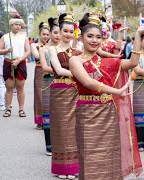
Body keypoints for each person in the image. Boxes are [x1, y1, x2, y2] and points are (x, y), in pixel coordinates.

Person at [69, 12, 144, 179]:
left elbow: (133, 63)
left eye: (98, 37)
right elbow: (88, 82)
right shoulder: (75, 60)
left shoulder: (108, 62)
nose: (94, 40)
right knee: (89, 155)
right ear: (81, 38)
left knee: (109, 154)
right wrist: (117, 91)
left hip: (108, 112)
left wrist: (137, 36)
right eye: (90, 36)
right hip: (86, 112)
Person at [48, 13, 81, 179]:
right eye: (65, 31)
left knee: (75, 128)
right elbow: (59, 70)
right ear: (59, 32)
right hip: (60, 91)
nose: (68, 34)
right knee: (61, 128)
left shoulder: (77, 51)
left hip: (76, 91)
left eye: (71, 31)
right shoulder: (52, 49)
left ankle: (73, 167)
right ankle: (62, 168)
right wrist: (79, 75)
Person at [0, 16, 30, 117]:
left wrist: (19, 60)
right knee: (9, 87)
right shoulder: (5, 37)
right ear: (11, 25)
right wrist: (7, 50)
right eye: (16, 24)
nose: (18, 26)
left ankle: (21, 109)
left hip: (20, 62)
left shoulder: (24, 37)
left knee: (20, 87)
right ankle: (8, 109)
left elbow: (28, 51)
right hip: (8, 62)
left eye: (20, 25)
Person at [39, 17, 60, 156]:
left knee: (62, 115)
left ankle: (62, 145)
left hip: (64, 83)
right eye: (56, 32)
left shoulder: (64, 49)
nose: (58, 35)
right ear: (51, 33)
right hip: (49, 83)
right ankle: (50, 146)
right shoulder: (43, 49)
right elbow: (45, 68)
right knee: (48, 114)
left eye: (60, 32)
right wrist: (59, 69)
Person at [31, 22, 50, 129]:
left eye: (48, 35)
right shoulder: (34, 45)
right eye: (44, 34)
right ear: (39, 34)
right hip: (39, 70)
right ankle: (40, 120)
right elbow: (37, 56)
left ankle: (49, 119)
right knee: (39, 95)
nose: (46, 37)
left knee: (49, 95)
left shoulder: (51, 45)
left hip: (51, 70)